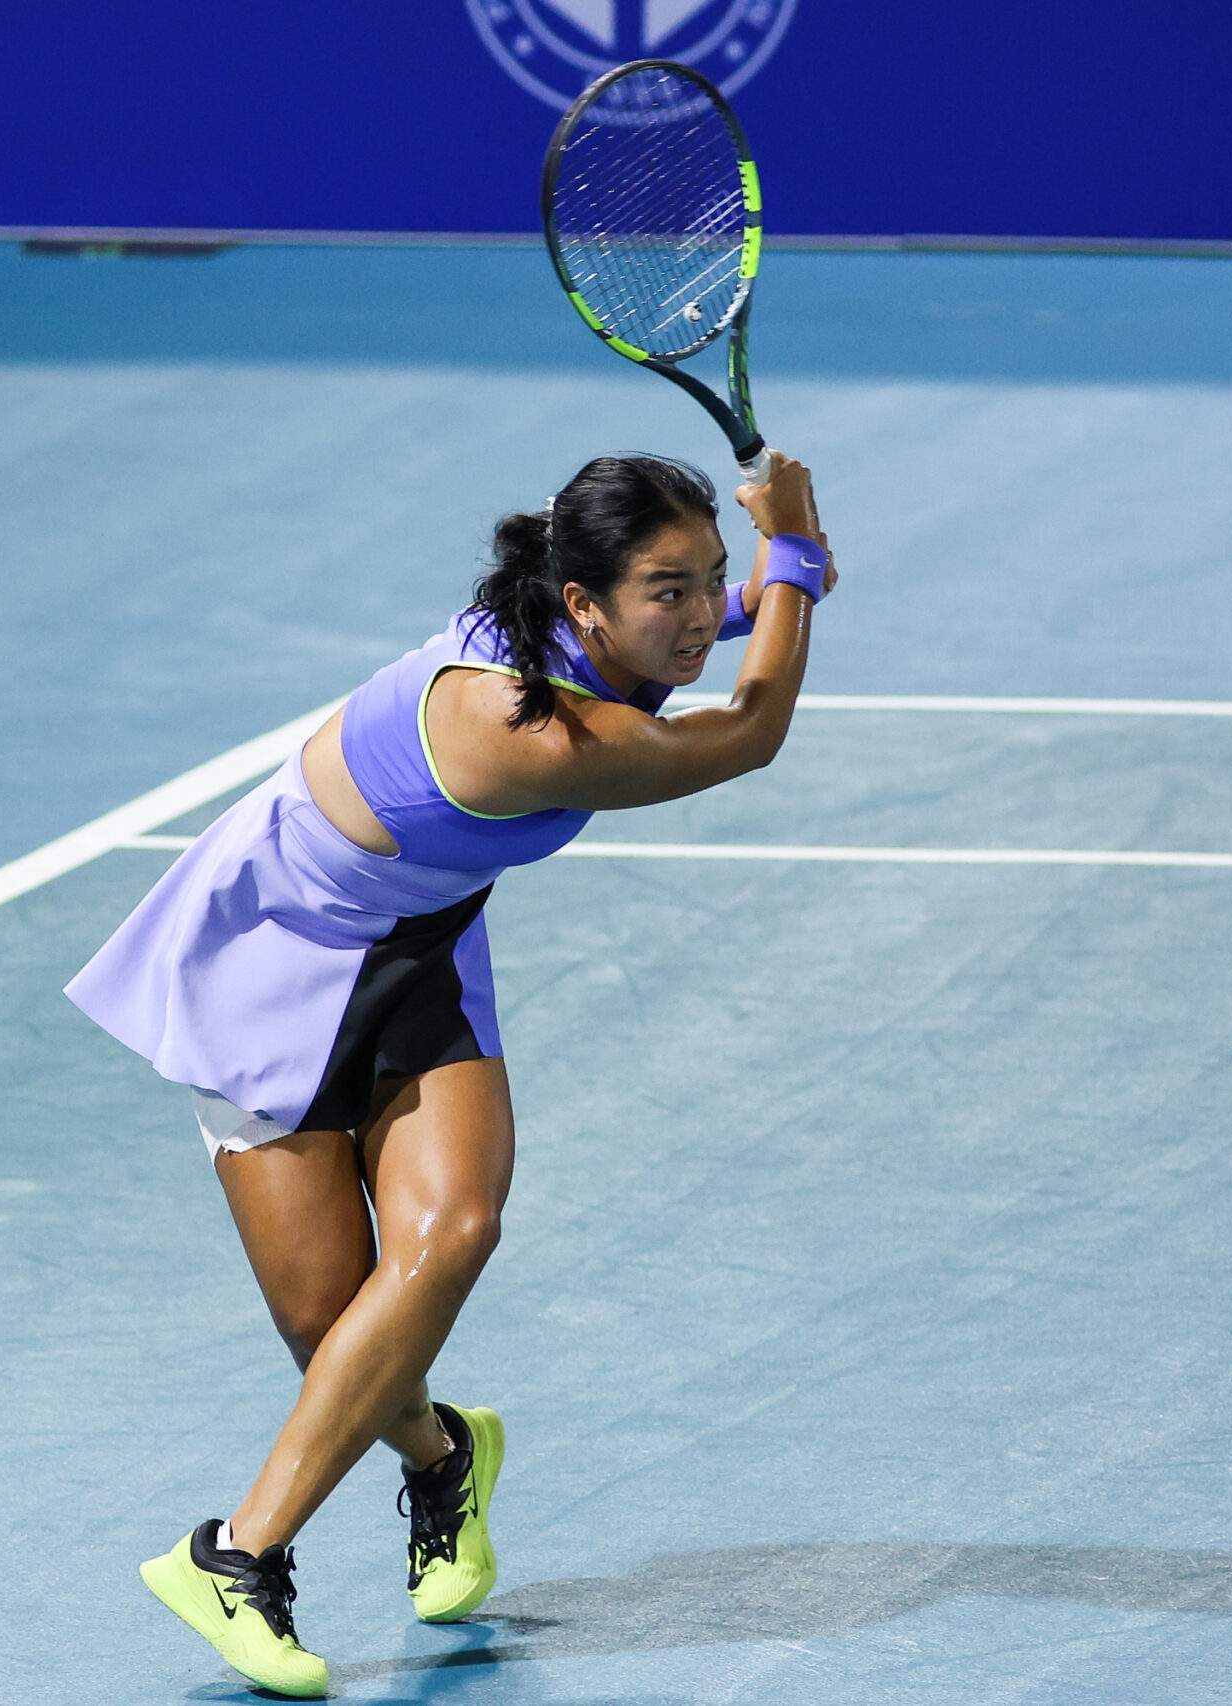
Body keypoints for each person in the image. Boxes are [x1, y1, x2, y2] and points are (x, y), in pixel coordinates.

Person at [65, 449, 833, 1696]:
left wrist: (763, 590)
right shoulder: (537, 732)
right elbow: (747, 733)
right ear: (580, 601)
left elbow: (714, 626)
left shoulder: (557, 609)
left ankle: (237, 1552)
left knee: (449, 1232)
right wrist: (788, 557)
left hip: (415, 944)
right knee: (333, 1324)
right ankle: (442, 1455)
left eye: (706, 582)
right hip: (268, 954)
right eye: (666, 591)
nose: (696, 614)